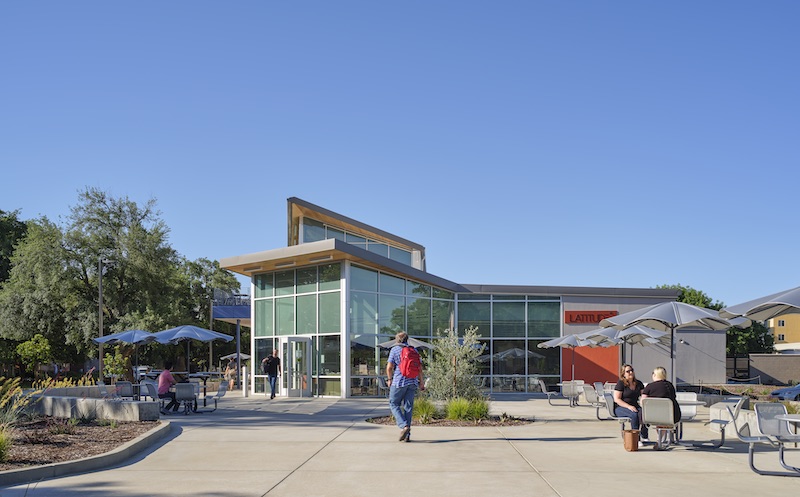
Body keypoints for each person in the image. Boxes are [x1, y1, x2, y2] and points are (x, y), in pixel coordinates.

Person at [386, 331, 425, 442]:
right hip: (412, 382)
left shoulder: (395, 350)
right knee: (408, 408)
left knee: (393, 404)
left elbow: (389, 367)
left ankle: (404, 426)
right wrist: (421, 382)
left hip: (398, 382)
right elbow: (420, 369)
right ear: (407, 339)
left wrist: (389, 379)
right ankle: (407, 436)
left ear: (397, 340)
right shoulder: (414, 350)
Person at [641, 366, 681, 442]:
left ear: (655, 375)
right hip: (672, 416)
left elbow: (643, 402)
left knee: (646, 414)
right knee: (662, 416)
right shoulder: (670, 385)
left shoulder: (649, 386)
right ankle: (661, 439)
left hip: (654, 416)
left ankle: (658, 438)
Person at [613, 363, 648, 443]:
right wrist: (628, 406)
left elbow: (643, 396)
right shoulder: (621, 383)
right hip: (621, 407)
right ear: (623, 374)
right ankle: (636, 438)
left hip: (635, 406)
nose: (631, 372)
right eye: (628, 371)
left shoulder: (639, 383)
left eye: (632, 370)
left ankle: (644, 434)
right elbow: (617, 399)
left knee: (644, 413)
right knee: (634, 414)